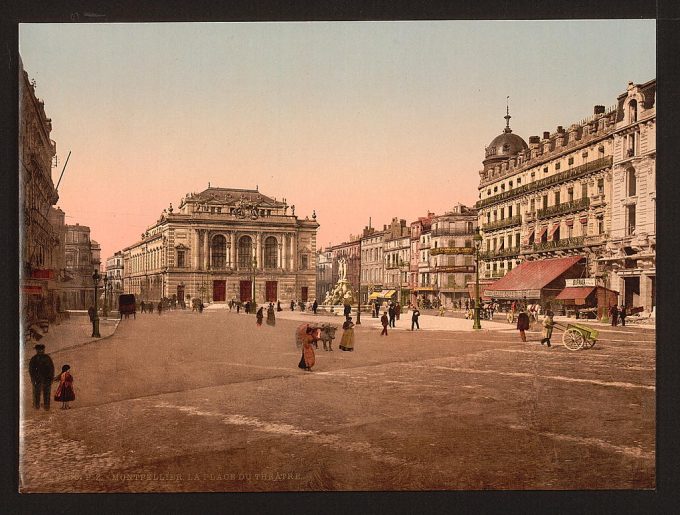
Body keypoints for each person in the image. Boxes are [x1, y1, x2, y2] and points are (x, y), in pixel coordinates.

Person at [29, 344, 54, 410]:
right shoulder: (34, 359)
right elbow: (31, 370)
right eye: (39, 350)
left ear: (43, 350)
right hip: (37, 379)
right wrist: (32, 379)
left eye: (41, 350)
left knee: (46, 393)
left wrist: (51, 378)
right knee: (37, 393)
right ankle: (37, 406)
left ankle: (46, 407)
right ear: (37, 350)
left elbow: (51, 368)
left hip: (47, 378)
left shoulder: (47, 358)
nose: (40, 351)